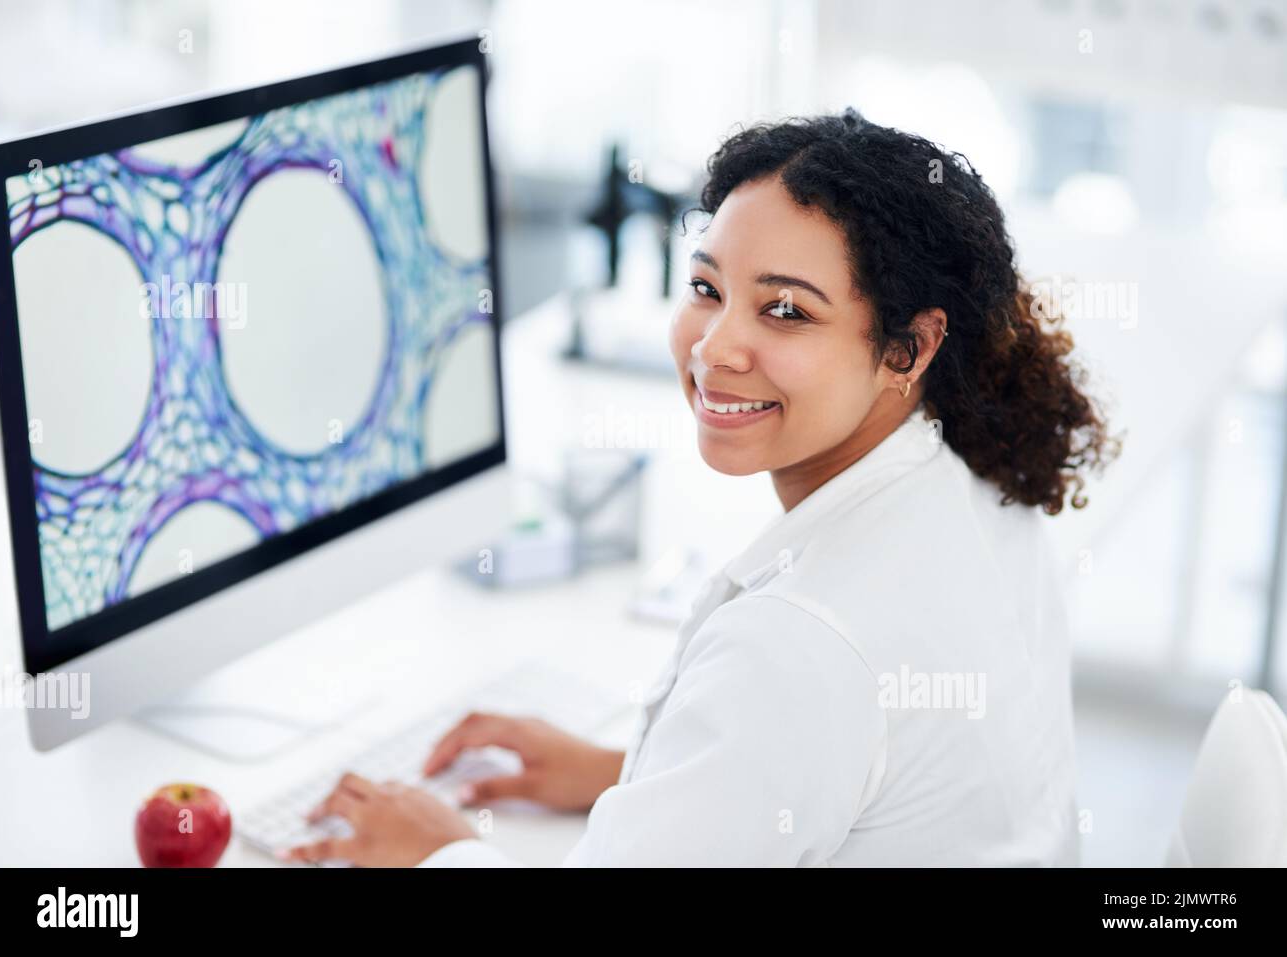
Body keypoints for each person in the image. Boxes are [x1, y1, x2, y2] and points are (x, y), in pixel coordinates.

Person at [283, 109, 1121, 867]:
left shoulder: (798, 644)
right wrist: (639, 776)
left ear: (907, 348)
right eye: (707, 289)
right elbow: (876, 770)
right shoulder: (979, 489)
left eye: (786, 311)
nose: (716, 347)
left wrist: (438, 850)